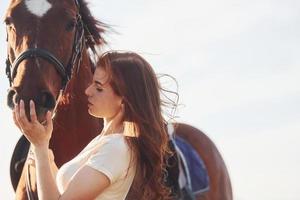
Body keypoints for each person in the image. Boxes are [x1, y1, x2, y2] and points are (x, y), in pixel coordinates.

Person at [13, 51, 173, 200]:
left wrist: (40, 147)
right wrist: (43, 147)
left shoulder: (117, 147)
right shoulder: (103, 141)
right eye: (91, 83)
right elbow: (62, 193)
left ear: (124, 99)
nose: (88, 91)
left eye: (98, 88)